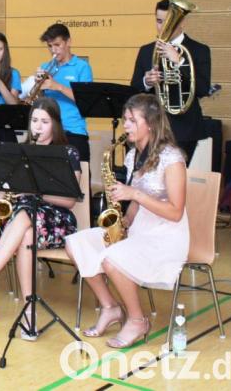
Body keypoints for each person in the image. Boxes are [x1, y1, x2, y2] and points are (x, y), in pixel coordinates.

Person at [65, 93, 188, 349]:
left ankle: (137, 319)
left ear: (151, 124)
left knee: (113, 260)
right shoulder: (133, 155)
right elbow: (134, 201)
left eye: (132, 120)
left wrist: (134, 194)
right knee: (76, 243)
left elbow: (176, 212)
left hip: (166, 236)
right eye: (125, 120)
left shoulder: (172, 158)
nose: (126, 125)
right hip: (140, 228)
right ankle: (110, 307)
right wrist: (125, 221)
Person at [0, 97, 81, 340]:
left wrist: (34, 192)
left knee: (26, 217)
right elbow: (8, 190)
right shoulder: (21, 151)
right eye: (34, 120)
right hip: (26, 219)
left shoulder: (68, 152)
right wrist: (7, 190)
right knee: (26, 230)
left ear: (55, 125)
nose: (37, 126)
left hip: (57, 219)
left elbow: (69, 201)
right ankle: (29, 311)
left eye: (44, 122)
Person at [131, 0, 212, 163]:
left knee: (174, 181)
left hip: (184, 129)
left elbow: (203, 89)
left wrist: (180, 62)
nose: (163, 27)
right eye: (159, 21)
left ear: (182, 22)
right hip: (151, 126)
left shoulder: (199, 50)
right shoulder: (146, 51)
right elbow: (133, 89)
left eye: (168, 22)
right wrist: (146, 82)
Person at [24, 23, 93, 162]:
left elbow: (87, 101)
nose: (53, 50)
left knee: (78, 180)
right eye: (50, 46)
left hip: (73, 131)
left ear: (68, 42)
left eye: (57, 45)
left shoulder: (82, 67)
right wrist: (38, 87)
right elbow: (42, 102)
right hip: (50, 133)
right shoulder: (45, 67)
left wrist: (58, 86)